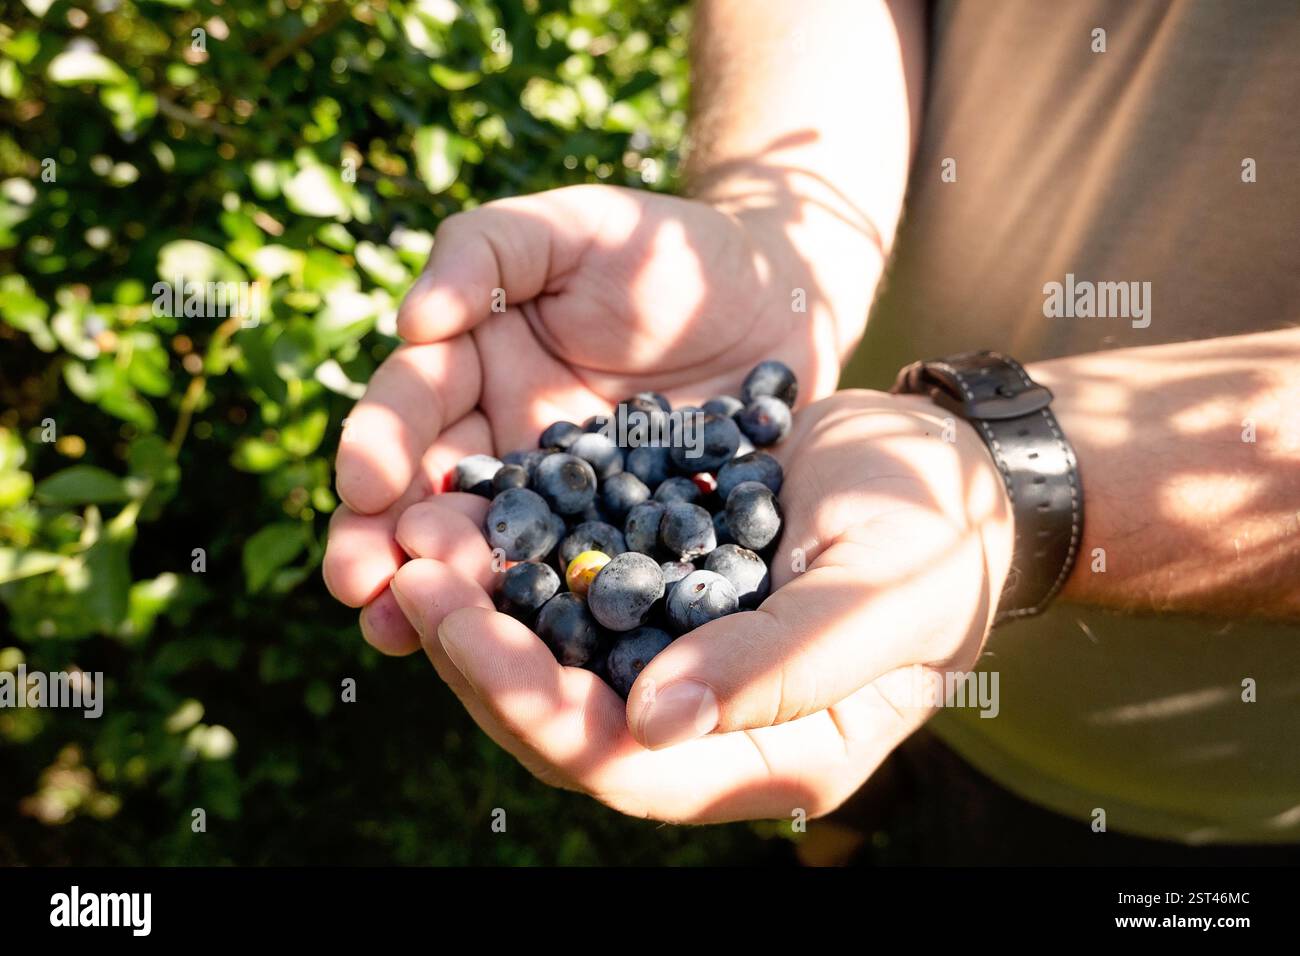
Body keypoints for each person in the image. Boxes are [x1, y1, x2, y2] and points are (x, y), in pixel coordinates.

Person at [323, 0, 1300, 847]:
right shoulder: (737, 474)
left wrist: (1006, 483)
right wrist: (775, 240)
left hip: (1186, 778)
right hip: (840, 522)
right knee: (821, 739)